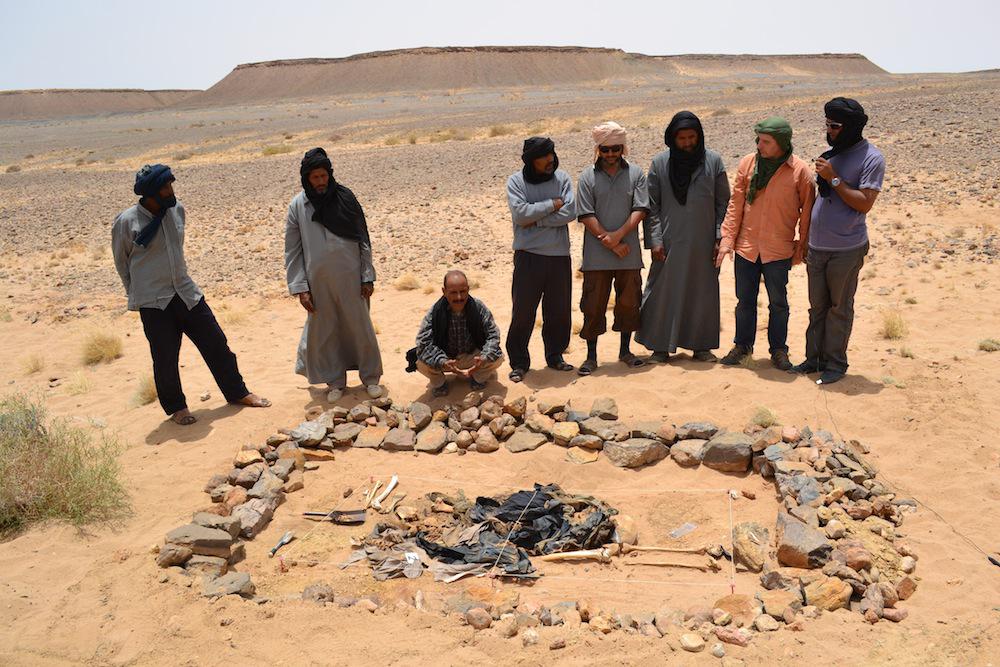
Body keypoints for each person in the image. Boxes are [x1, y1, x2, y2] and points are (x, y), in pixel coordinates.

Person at [111, 164, 270, 426]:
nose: (171, 190)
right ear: (151, 193)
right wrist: (136, 295)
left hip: (186, 292)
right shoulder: (127, 221)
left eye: (170, 185)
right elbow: (122, 261)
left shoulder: (176, 210)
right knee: (165, 359)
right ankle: (177, 408)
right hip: (154, 302)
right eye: (165, 187)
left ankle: (237, 392)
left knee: (217, 344)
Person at [791, 98, 885, 385]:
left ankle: (835, 364)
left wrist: (833, 178)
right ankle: (814, 359)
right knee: (817, 307)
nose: (829, 131)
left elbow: (864, 203)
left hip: (846, 248)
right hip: (817, 246)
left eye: (834, 126)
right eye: (827, 124)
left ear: (851, 127)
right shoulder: (831, 155)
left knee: (839, 308)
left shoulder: (872, 158)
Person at [285, 147, 383, 402]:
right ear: (307, 179)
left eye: (323, 176)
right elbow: (293, 251)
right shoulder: (298, 206)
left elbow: (363, 238)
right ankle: (335, 382)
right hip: (318, 283)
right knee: (327, 332)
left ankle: (371, 378)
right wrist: (300, 288)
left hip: (352, 279)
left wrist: (367, 275)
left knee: (361, 329)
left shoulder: (345, 198)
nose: (320, 182)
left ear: (329, 174)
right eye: (315, 177)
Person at [717, 118, 815, 371]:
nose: (759, 145)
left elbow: (807, 213)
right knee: (744, 302)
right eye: (759, 140)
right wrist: (727, 239)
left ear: (781, 142)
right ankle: (742, 347)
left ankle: (779, 350)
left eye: (766, 141)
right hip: (747, 247)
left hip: (778, 250)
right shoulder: (748, 163)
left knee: (778, 303)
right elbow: (736, 204)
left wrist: (801, 247)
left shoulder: (800, 171)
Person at [637, 111, 731, 362]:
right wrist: (655, 240)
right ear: (672, 138)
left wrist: (719, 237)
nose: (688, 143)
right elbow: (652, 206)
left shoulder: (713, 161)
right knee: (662, 292)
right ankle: (659, 347)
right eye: (682, 138)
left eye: (692, 137)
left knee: (702, 293)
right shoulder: (660, 163)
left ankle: (701, 347)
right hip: (669, 242)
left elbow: (723, 203)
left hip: (704, 243)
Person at [574, 121, 649, 375]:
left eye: (615, 149)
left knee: (629, 303)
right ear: (598, 149)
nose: (610, 154)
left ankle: (625, 351)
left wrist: (617, 237)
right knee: (593, 305)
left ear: (622, 148)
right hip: (596, 256)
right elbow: (585, 214)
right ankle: (591, 357)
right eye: (605, 150)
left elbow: (640, 209)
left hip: (629, 254)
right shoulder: (587, 177)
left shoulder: (636, 174)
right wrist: (609, 241)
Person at [504, 136, 576, 382]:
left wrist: (537, 220)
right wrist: (553, 204)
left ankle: (555, 356)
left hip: (559, 256)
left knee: (559, 312)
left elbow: (570, 211)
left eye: (551, 154)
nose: (550, 159)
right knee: (523, 312)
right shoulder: (516, 181)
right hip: (528, 257)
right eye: (543, 156)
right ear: (531, 160)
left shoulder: (562, 179)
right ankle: (519, 362)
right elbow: (520, 214)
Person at [410, 270, 504, 397]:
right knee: (419, 361)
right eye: (453, 292)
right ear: (444, 291)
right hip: (446, 359)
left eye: (463, 291)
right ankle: (439, 383)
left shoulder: (478, 308)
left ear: (468, 289)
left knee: (497, 357)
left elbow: (493, 335)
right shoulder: (435, 312)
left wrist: (484, 357)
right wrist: (442, 361)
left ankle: (478, 378)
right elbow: (424, 343)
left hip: (472, 357)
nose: (459, 297)